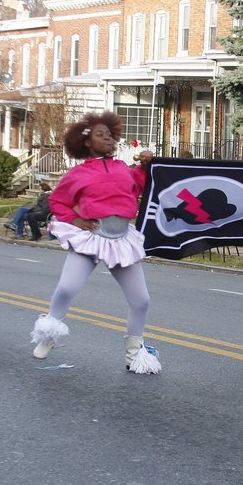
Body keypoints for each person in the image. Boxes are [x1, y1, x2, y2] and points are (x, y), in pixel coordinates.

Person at [29, 112, 161, 374]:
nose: (108, 139)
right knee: (67, 287)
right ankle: (48, 333)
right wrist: (75, 219)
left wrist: (147, 165)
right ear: (87, 142)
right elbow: (57, 202)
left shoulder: (124, 168)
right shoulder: (78, 173)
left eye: (110, 135)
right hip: (91, 238)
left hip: (122, 239)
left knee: (141, 300)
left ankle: (134, 354)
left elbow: (143, 185)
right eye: (101, 135)